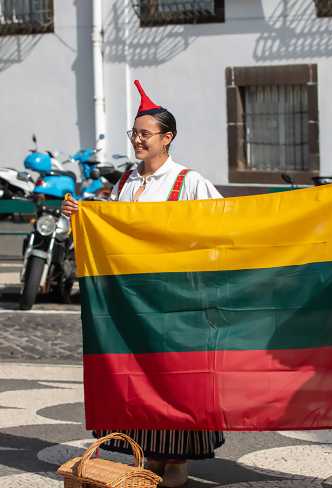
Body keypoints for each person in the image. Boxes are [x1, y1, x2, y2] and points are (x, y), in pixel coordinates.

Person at [63, 80, 224, 488]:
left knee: (175, 375)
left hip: (176, 298)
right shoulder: (125, 184)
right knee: (140, 372)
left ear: (167, 138)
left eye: (145, 134)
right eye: (134, 133)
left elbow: (221, 226)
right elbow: (111, 233)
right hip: (133, 300)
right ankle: (151, 452)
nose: (137, 140)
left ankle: (178, 457)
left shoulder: (189, 181)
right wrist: (81, 216)